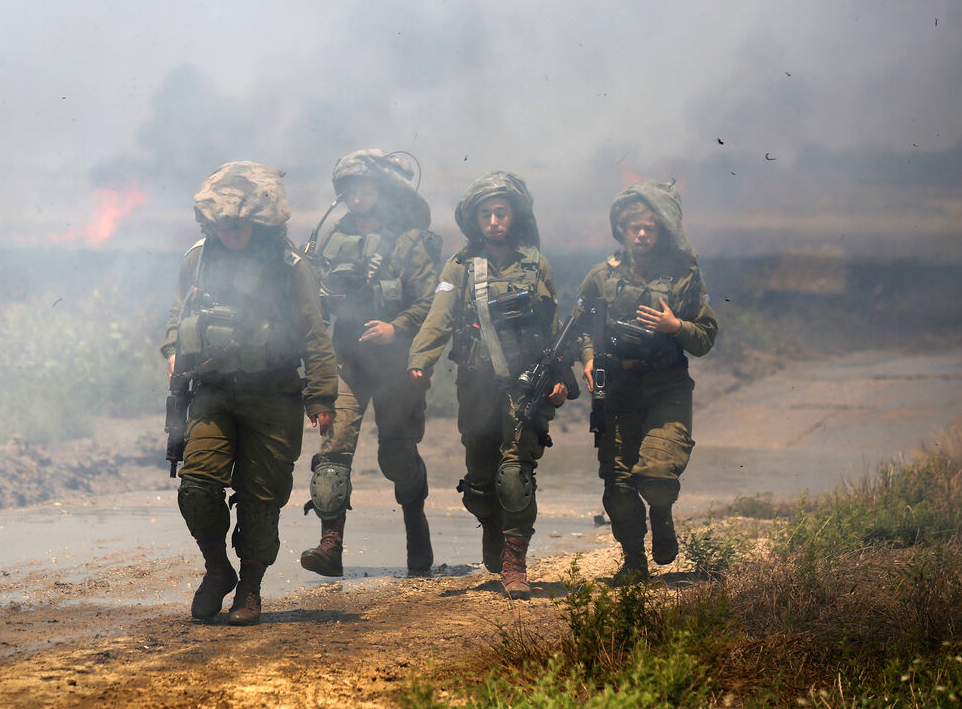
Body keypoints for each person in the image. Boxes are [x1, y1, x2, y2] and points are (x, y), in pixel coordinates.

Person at [160, 161, 337, 625]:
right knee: (197, 487)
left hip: (274, 394)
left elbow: (313, 332)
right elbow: (178, 313)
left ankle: (250, 588)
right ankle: (217, 569)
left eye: (239, 225)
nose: (231, 233)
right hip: (213, 391)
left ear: (260, 222)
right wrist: (172, 350)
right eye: (223, 225)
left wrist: (321, 396)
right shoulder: (198, 258)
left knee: (261, 500)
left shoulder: (289, 267)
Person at [407, 171, 568, 599]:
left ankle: (515, 562)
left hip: (525, 386)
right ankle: (492, 525)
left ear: (515, 216)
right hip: (476, 384)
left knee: (515, 472)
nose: (494, 222)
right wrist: (420, 360)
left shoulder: (536, 265)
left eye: (501, 213)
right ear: (474, 220)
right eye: (486, 215)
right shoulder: (460, 266)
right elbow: (439, 318)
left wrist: (559, 378)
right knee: (480, 480)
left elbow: (554, 330)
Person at [300, 149, 441, 577]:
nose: (357, 196)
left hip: (396, 364)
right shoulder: (332, 239)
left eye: (366, 188)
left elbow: (431, 301)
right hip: (347, 359)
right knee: (332, 452)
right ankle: (330, 546)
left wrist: (396, 328)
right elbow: (314, 301)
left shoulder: (408, 241)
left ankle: (416, 528)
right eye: (350, 189)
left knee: (397, 456)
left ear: (382, 191)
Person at [576, 180, 718, 583]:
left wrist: (676, 327)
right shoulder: (601, 277)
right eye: (634, 227)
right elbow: (580, 326)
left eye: (650, 228)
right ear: (621, 230)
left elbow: (706, 337)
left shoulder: (683, 278)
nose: (641, 234)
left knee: (657, 476)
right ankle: (634, 562)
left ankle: (662, 515)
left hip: (666, 388)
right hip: (617, 391)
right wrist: (587, 357)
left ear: (662, 231)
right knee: (618, 485)